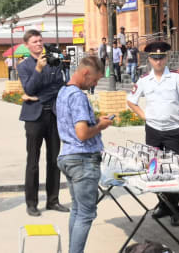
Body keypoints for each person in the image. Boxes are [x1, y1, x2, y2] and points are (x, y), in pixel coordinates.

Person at [127, 41, 179, 227]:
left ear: (167, 57)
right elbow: (131, 101)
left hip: (172, 130)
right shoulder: (144, 80)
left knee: (172, 169)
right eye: (155, 58)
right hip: (153, 130)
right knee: (154, 169)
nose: (158, 61)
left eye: (161, 57)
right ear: (149, 59)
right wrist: (145, 117)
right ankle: (163, 204)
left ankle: (174, 209)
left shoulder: (177, 79)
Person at [56, 56, 113, 253]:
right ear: (86, 73)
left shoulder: (63, 92)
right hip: (82, 159)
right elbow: (82, 133)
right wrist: (100, 126)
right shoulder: (78, 96)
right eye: (95, 80)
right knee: (86, 214)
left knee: (77, 210)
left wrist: (94, 120)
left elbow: (74, 124)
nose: (95, 84)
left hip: (68, 156)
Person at [17, 29, 69, 217]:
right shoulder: (24, 66)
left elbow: (59, 87)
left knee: (54, 159)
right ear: (27, 45)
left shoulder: (53, 62)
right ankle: (31, 203)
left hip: (53, 115)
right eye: (35, 41)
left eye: (40, 40)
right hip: (34, 118)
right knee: (33, 161)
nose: (39, 44)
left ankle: (53, 200)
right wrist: (38, 70)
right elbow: (29, 87)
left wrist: (36, 96)